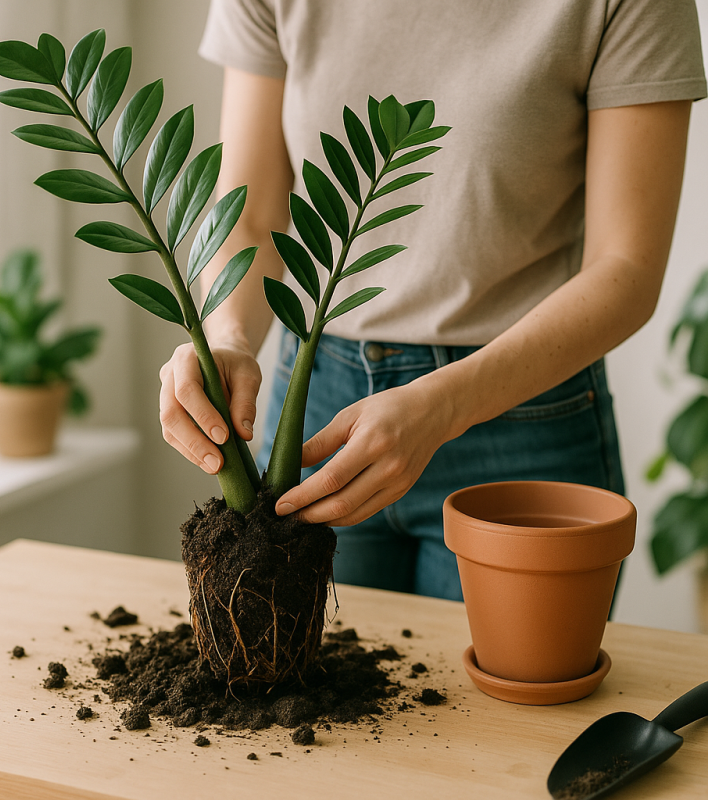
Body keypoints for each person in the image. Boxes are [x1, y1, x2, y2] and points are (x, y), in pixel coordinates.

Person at [159, 0, 707, 600]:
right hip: (317, 408)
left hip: (521, 415)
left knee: (501, 669)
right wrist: (227, 337)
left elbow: (625, 268)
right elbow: (252, 216)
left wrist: (442, 407)